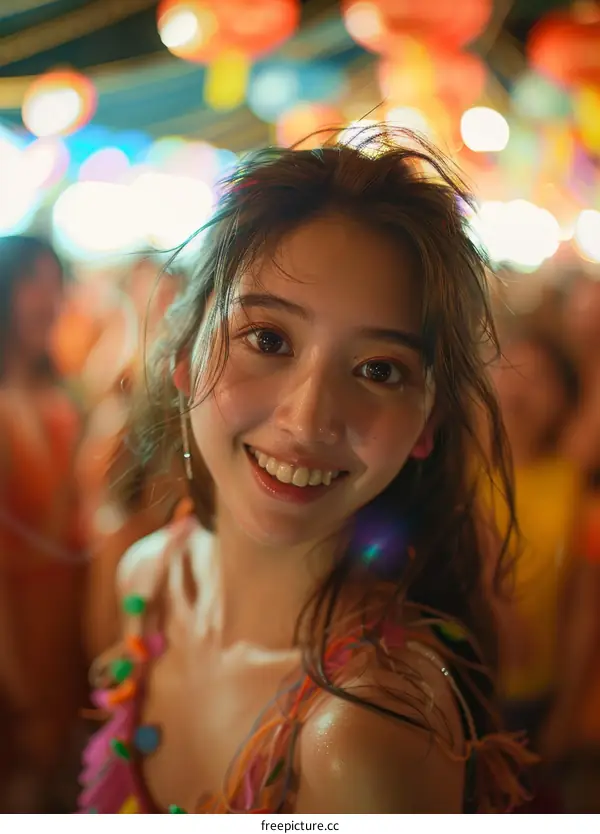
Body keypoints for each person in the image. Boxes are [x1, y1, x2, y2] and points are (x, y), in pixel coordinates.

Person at [79, 131, 535, 815]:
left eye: (379, 369)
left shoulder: (363, 731)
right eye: (268, 339)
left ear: (427, 425)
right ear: (185, 356)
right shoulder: (149, 581)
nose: (308, 420)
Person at [0, 235, 87, 811]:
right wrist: (18, 689)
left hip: (65, 629)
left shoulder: (60, 399)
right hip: (16, 638)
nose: (49, 299)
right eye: (34, 282)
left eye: (56, 283)